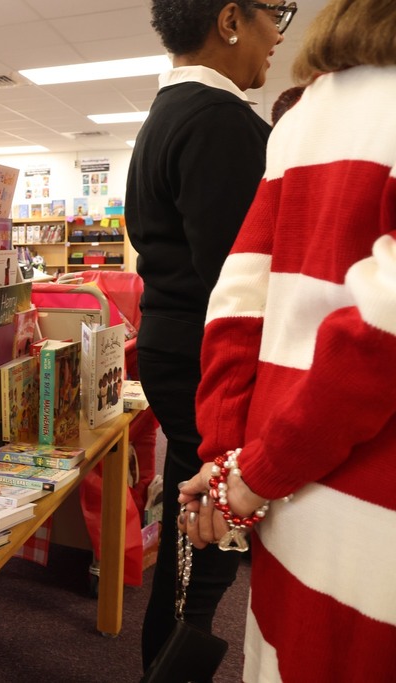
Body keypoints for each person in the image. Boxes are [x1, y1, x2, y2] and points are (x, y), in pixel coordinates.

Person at [178, 1, 396, 679]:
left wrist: (228, 461)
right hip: (368, 523)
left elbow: (237, 303)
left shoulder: (299, 118)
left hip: (291, 500)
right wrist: (250, 475)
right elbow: (381, 333)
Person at [123, 0, 291, 669]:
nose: (279, 32)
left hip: (176, 348)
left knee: (195, 531)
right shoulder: (219, 123)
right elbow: (240, 278)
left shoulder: (167, 114)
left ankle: (160, 660)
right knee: (208, 540)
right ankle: (167, 669)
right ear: (230, 18)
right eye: (274, 12)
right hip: (206, 359)